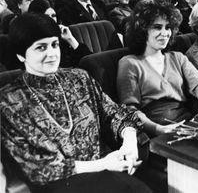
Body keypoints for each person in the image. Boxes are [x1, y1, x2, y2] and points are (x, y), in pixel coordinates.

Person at [1, 13, 151, 193]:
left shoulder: (78, 78)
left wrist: (129, 140)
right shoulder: (8, 101)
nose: (52, 54)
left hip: (109, 170)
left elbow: (113, 113)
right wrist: (104, 164)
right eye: (41, 48)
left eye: (55, 44)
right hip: (62, 184)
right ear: (21, 56)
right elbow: (38, 169)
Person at [117, 2, 198, 136]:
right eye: (157, 27)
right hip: (157, 133)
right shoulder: (129, 63)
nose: (164, 33)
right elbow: (130, 110)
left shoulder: (177, 58)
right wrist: (157, 129)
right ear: (142, 30)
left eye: (168, 28)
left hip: (190, 123)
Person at [29, 0, 92, 67]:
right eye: (46, 16)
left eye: (53, 16)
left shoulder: (62, 37)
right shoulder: (31, 43)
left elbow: (89, 61)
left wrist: (70, 39)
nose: (51, 20)